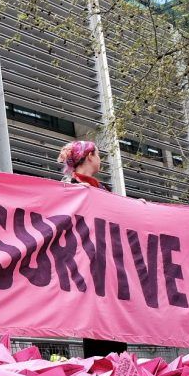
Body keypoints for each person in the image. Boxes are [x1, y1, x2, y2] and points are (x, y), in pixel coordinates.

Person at [56, 139, 127, 358]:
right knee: (96, 325)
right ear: (89, 156)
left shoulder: (102, 188)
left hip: (109, 267)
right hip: (87, 267)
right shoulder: (68, 185)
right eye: (98, 154)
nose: (100, 159)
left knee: (117, 327)